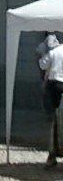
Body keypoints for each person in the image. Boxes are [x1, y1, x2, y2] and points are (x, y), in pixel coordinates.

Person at [39, 33, 63, 168]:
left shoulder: (52, 53)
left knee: (53, 116)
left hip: (54, 85)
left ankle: (52, 154)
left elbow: (42, 65)